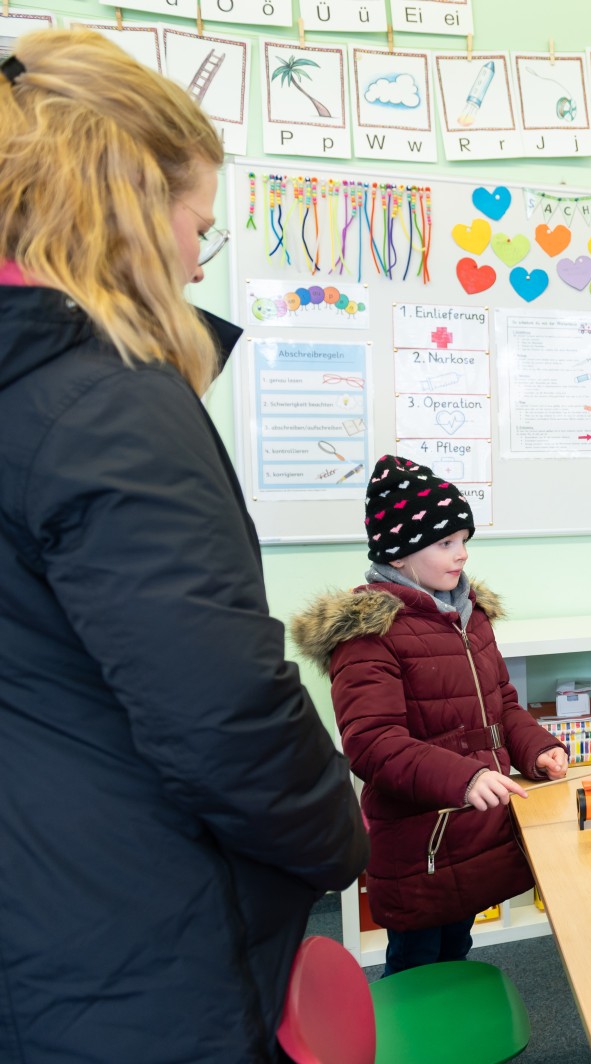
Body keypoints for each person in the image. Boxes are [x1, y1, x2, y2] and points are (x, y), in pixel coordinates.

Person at [0, 30, 368, 1062]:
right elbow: (221, 709)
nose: (199, 259)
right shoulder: (105, 404)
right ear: (127, 201)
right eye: (198, 223)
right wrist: (341, 836)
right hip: (139, 936)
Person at [291, 455, 570, 976]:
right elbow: (372, 744)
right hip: (422, 844)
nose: (461, 554)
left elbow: (503, 705)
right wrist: (467, 778)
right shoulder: (368, 632)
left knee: (455, 951)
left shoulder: (469, 616)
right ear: (398, 555)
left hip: (471, 833)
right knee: (416, 966)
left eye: (464, 539)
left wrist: (538, 749)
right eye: (445, 543)